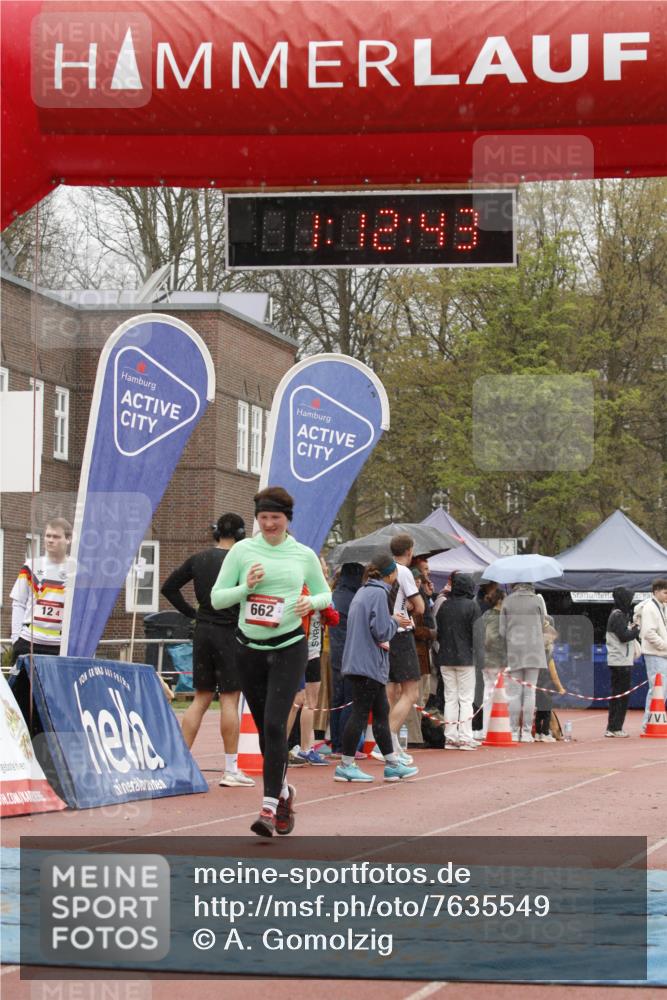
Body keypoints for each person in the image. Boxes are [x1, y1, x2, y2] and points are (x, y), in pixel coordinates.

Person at [210, 486, 331, 838]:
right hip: (249, 648)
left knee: (277, 726)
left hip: (289, 646)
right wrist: (245, 588)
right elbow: (218, 599)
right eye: (263, 518)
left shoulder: (303, 554)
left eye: (275, 518)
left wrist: (312, 604)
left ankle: (267, 808)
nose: (268, 524)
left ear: (287, 519)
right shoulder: (243, 551)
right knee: (266, 731)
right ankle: (284, 792)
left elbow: (326, 592)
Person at [161, 513, 255, 787]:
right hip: (229, 632)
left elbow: (169, 587)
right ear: (241, 535)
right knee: (229, 698)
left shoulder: (199, 559)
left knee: (200, 697)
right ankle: (230, 769)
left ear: (217, 533)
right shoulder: (240, 561)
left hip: (203, 631)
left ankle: (179, 763)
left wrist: (194, 613)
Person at [334, 550, 418, 783]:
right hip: (368, 663)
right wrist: (395, 621)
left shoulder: (362, 592)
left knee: (380, 713)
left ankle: (391, 763)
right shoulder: (379, 595)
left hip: (359, 661)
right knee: (360, 715)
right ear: (391, 575)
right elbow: (381, 631)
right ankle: (346, 765)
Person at [371, 533, 424, 765]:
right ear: (410, 551)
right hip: (401, 634)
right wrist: (409, 609)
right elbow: (420, 607)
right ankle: (383, 743)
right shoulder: (404, 572)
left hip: (384, 634)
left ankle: (391, 745)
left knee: (389, 693)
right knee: (411, 691)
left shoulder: (384, 570)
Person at [11, 518, 73, 661]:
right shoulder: (30, 566)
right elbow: (18, 603)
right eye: (48, 535)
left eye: (56, 537)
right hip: (28, 643)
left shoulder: (77, 571)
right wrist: (16, 640)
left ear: (68, 539)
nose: (50, 540)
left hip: (61, 646)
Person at [435, 573, 482, 749]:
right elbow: (478, 636)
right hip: (466, 658)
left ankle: (450, 737)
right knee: (466, 699)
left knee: (450, 698)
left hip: (445, 658)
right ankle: (465, 736)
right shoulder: (472, 606)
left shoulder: (445, 605)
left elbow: (438, 632)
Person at [499, 582, 548, 743]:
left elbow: (502, 630)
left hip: (514, 650)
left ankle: (513, 730)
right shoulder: (537, 600)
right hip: (534, 650)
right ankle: (526, 732)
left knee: (514, 692)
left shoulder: (508, 600)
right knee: (529, 692)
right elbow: (542, 623)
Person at [328, 563, 365, 756]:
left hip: (335, 653)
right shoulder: (355, 599)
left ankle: (336, 743)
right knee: (350, 701)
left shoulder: (335, 596)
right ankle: (346, 745)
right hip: (351, 654)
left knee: (337, 700)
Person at [604, 588, 640, 738]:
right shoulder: (617, 616)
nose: (631, 602)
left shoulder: (618, 614)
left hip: (620, 660)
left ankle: (614, 727)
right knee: (620, 696)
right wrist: (636, 630)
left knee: (618, 695)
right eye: (629, 599)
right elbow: (624, 636)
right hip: (620, 661)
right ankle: (615, 727)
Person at [473, 588, 506, 739]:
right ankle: (493, 728)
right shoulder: (500, 617)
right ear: (500, 600)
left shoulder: (485, 615)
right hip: (496, 659)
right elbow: (490, 637)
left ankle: (486, 728)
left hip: (485, 659)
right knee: (498, 695)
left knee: (487, 694)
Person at [636, 578, 667, 733]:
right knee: (657, 689)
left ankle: (653, 721)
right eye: (665, 592)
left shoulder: (662, 607)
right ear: (656, 592)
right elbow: (648, 632)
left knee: (661, 690)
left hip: (661, 653)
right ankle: (648, 723)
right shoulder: (650, 608)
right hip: (655, 654)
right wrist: (664, 645)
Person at [534, 615, 565, 743]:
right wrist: (560, 688)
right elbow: (554, 674)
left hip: (537, 685)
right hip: (547, 686)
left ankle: (537, 732)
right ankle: (545, 732)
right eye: (552, 641)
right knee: (546, 711)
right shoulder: (548, 655)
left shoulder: (535, 652)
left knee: (538, 710)